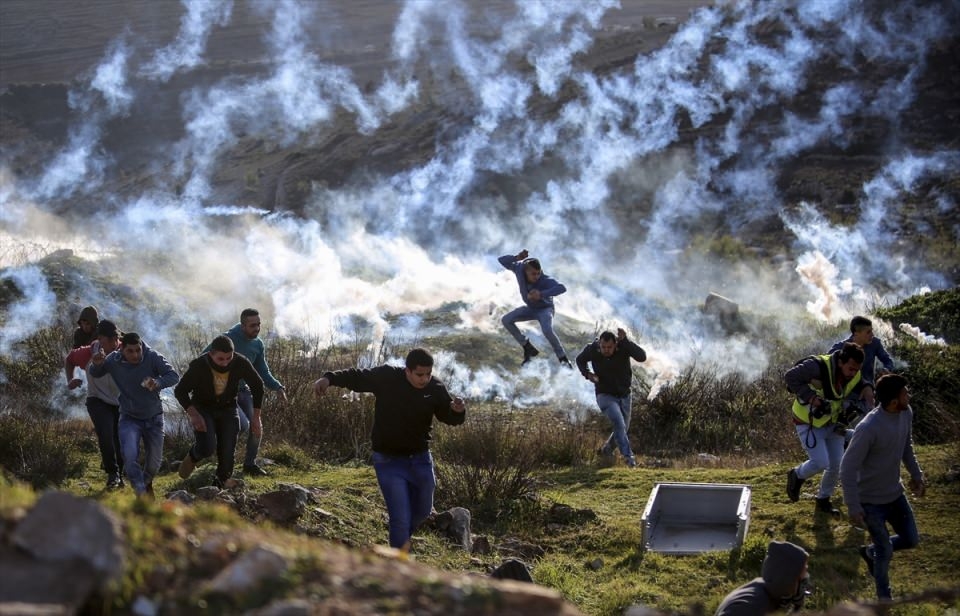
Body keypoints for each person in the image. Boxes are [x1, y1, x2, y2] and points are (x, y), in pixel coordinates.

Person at [313, 348, 466, 552]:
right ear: (407, 371)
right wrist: (329, 378)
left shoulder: (436, 387)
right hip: (388, 461)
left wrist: (457, 411)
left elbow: (447, 416)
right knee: (400, 518)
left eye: (428, 374)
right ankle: (400, 562)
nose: (425, 379)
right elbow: (358, 377)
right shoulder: (387, 377)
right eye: (419, 374)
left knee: (423, 511)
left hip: (420, 459)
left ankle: (400, 540)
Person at [840, 374, 924, 601]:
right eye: (905, 393)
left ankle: (870, 552)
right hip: (870, 502)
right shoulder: (868, 428)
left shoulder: (906, 413)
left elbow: (906, 447)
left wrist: (917, 476)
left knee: (911, 539)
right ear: (894, 401)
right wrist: (853, 506)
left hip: (895, 495)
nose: (909, 395)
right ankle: (883, 600)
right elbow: (847, 468)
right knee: (885, 550)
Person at [90, 332, 179, 499]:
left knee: (154, 465)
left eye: (138, 350)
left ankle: (145, 483)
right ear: (122, 349)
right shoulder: (113, 360)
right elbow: (96, 372)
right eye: (130, 351)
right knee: (130, 458)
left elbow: (173, 376)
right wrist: (96, 364)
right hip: (129, 417)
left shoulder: (152, 357)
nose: (136, 355)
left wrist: (157, 383)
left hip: (154, 417)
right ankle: (141, 494)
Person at [784, 342, 868, 515]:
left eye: (856, 370)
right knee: (821, 462)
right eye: (850, 369)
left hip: (833, 422)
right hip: (808, 422)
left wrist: (868, 388)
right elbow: (790, 377)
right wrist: (812, 398)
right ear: (840, 362)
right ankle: (796, 475)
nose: (853, 374)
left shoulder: (855, 373)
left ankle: (823, 500)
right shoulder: (817, 366)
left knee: (836, 465)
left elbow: (860, 382)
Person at [175, 335, 265, 490]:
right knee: (207, 448)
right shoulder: (199, 365)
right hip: (203, 408)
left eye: (228, 358)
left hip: (228, 408)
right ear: (211, 354)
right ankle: (194, 455)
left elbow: (258, 386)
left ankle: (219, 489)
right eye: (220, 359)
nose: (225, 363)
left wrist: (256, 418)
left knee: (227, 453)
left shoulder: (240, 362)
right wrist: (194, 415)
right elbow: (180, 391)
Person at [209, 308, 287, 476]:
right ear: (243, 326)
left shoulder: (257, 344)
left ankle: (249, 464)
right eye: (253, 325)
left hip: (243, 392)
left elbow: (263, 371)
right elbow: (203, 359)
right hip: (224, 393)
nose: (257, 328)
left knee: (256, 427)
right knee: (240, 424)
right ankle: (223, 462)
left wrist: (277, 387)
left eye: (259, 324)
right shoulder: (227, 339)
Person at [65, 319, 124, 489]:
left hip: (120, 402)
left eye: (104, 341)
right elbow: (69, 359)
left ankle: (121, 473)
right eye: (99, 340)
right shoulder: (92, 350)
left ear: (115, 339)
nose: (101, 344)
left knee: (120, 438)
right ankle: (113, 474)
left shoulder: (126, 351)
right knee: (105, 433)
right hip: (96, 400)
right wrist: (71, 379)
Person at [575, 328, 647, 468]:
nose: (606, 350)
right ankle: (629, 459)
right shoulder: (592, 349)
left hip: (625, 394)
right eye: (603, 347)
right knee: (619, 423)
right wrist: (588, 374)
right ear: (599, 344)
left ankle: (606, 451)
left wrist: (626, 341)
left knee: (623, 428)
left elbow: (642, 357)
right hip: (605, 395)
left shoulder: (623, 348)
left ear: (615, 345)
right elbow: (580, 360)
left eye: (609, 347)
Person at [498, 249, 571, 367]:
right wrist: (517, 257)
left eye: (538, 273)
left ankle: (563, 359)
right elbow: (501, 260)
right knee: (506, 320)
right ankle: (528, 348)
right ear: (526, 271)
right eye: (533, 274)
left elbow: (562, 288)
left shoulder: (545, 280)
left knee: (547, 330)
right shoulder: (519, 269)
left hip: (545, 309)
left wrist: (541, 294)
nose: (536, 276)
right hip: (530, 308)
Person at [714, 540, 810, 615]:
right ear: (787, 578)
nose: (806, 577)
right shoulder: (748, 606)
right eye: (803, 573)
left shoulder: (771, 593)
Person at [829, 315, 893, 408]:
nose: (872, 335)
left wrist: (887, 369)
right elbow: (826, 364)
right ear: (856, 334)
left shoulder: (875, 343)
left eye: (872, 330)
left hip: (868, 392)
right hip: (845, 395)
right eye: (868, 332)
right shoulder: (840, 348)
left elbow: (888, 360)